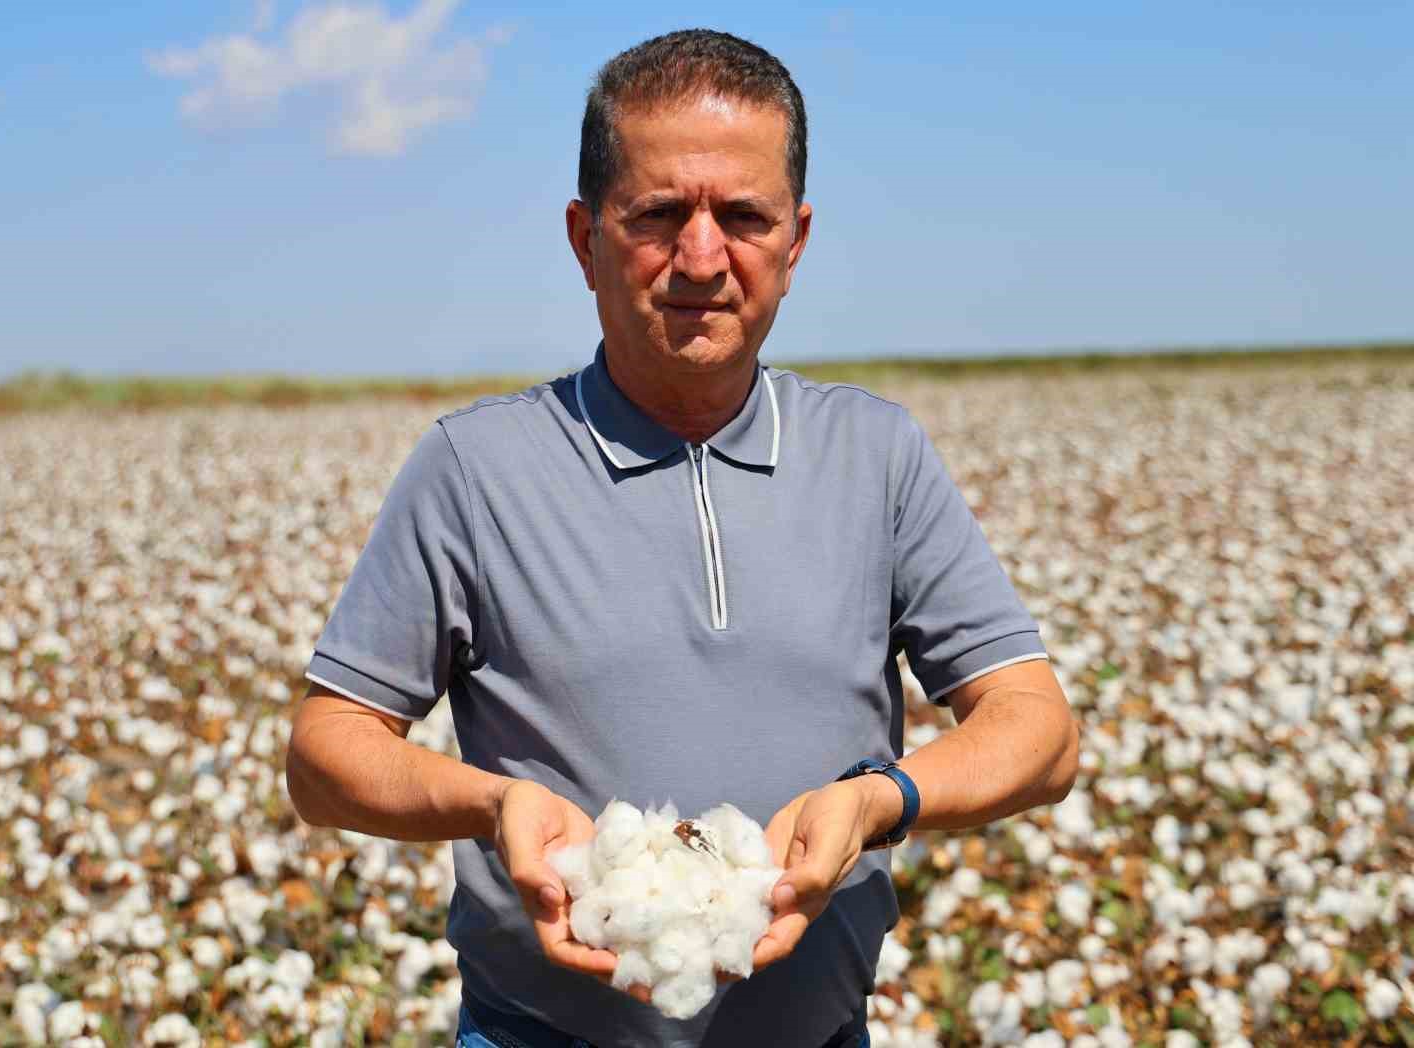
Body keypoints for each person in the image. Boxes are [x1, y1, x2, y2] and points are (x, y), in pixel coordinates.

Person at [286, 28, 1079, 1048]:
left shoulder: (874, 455)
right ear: (584, 239)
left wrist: (883, 801)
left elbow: (1040, 731)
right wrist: (495, 806)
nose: (701, 257)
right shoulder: (476, 468)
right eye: (658, 215)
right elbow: (325, 754)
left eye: (742, 218)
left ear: (794, 242)